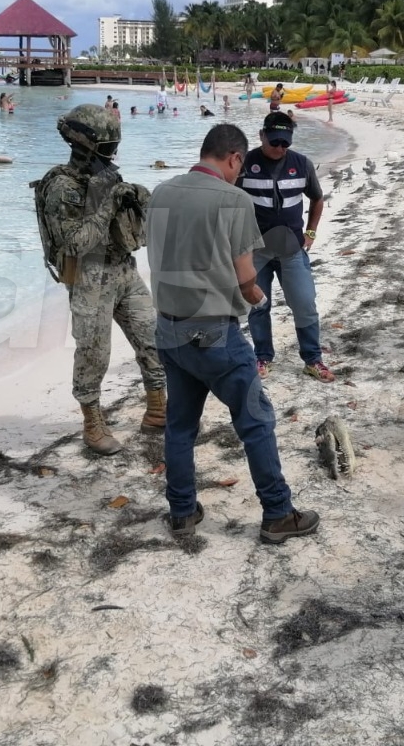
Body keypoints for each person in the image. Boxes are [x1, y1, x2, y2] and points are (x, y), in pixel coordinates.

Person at [145, 123, 321, 544]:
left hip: (168, 328)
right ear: (235, 158)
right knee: (256, 421)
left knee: (180, 426)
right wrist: (256, 297)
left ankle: (182, 512)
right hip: (213, 333)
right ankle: (278, 513)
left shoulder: (161, 192)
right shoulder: (233, 199)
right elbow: (245, 276)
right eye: (239, 167)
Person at [32, 105, 168, 455]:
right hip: (89, 278)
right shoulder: (62, 187)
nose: (113, 152)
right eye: (108, 146)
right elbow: (74, 244)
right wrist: (109, 203)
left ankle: (157, 410)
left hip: (123, 269)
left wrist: (137, 198)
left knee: (153, 338)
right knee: (94, 353)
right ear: (86, 144)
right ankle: (92, 424)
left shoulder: (106, 177)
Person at [237, 112, 333, 383]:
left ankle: (312, 359)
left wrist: (311, 232)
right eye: (274, 142)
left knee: (304, 303)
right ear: (262, 135)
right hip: (256, 251)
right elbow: (227, 201)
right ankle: (262, 357)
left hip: (292, 249)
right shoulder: (245, 164)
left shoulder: (302, 164)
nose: (280, 148)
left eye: (285, 143)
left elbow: (317, 198)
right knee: (257, 305)